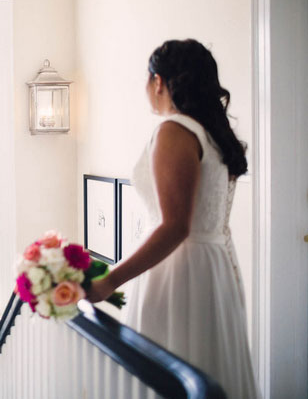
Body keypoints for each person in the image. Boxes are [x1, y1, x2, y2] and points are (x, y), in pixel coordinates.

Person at [87, 39, 258, 398]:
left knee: (170, 372)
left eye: (147, 80)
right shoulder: (214, 133)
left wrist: (110, 281)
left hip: (178, 273)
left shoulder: (175, 130)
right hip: (213, 268)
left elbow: (176, 225)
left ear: (159, 82)